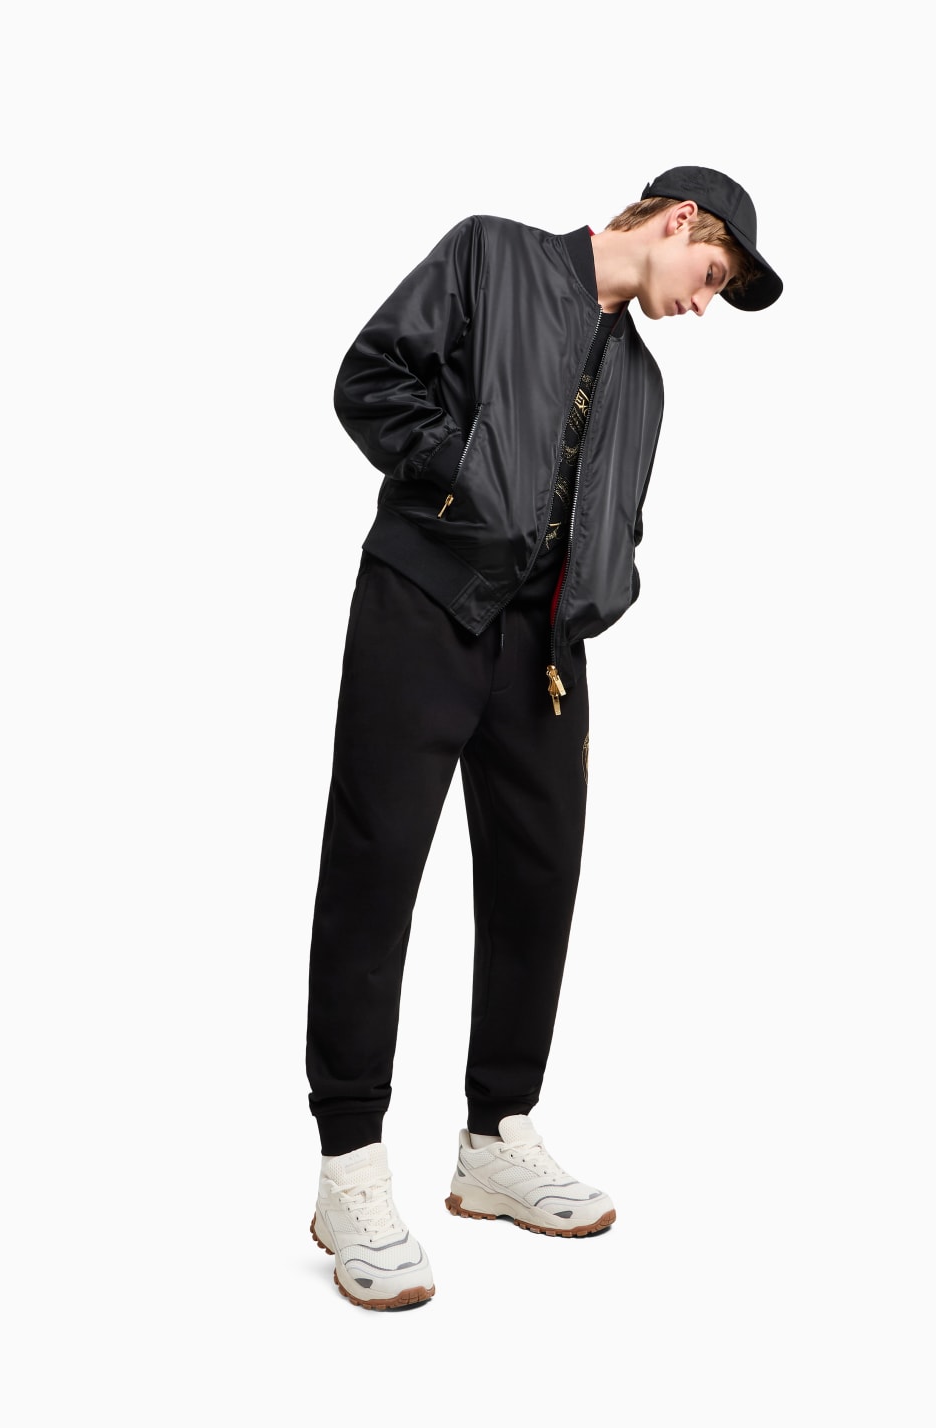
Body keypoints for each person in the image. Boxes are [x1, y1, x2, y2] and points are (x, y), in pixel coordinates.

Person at [305, 165, 783, 1310]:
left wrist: (601, 590)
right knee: (377, 868)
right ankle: (350, 1167)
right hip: (423, 600)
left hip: (546, 651)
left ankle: (495, 1138)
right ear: (678, 220)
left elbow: (622, 519)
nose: (703, 302)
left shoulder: (644, 384)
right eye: (711, 273)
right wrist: (465, 478)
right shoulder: (492, 254)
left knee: (538, 882)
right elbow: (370, 378)